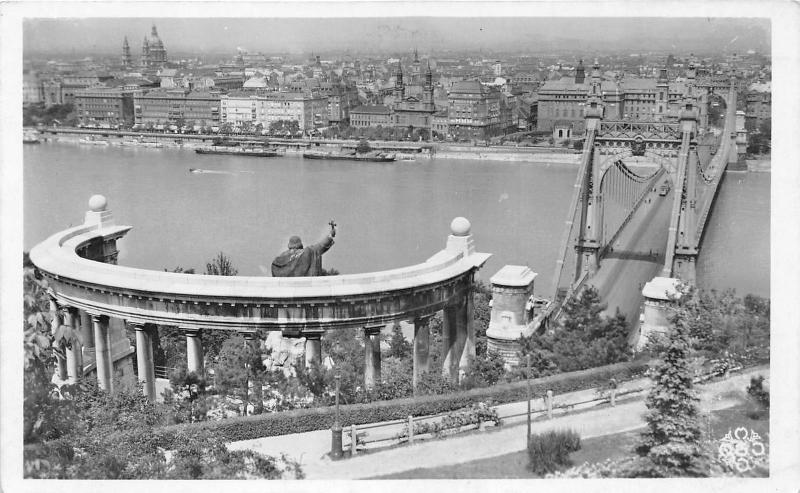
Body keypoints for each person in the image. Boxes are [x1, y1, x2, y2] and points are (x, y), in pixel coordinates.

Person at [271, 221, 336, 277]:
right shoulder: (308, 251)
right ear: (300, 244)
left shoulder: (280, 258)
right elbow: (321, 246)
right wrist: (330, 236)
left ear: (289, 245)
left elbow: (274, 266)